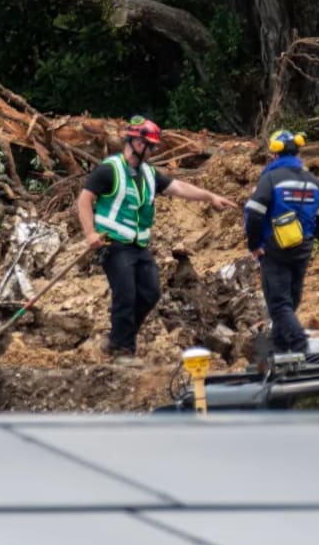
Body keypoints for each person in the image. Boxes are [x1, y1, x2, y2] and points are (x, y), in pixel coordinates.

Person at [77, 115, 235, 363]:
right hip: (113, 244)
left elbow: (180, 188)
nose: (152, 150)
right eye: (150, 146)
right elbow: (84, 199)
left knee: (150, 293)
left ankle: (118, 337)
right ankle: (122, 350)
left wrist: (210, 196)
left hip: (139, 246)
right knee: (125, 295)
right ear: (137, 144)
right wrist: (90, 234)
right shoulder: (110, 169)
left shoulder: (149, 174)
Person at [244, 130, 319, 354]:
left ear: (275, 155)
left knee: (279, 305)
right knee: (289, 304)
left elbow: (254, 213)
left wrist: (254, 245)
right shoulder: (314, 182)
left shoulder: (271, 178)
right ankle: (280, 351)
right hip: (302, 250)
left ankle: (300, 348)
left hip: (274, 250)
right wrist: (313, 245)